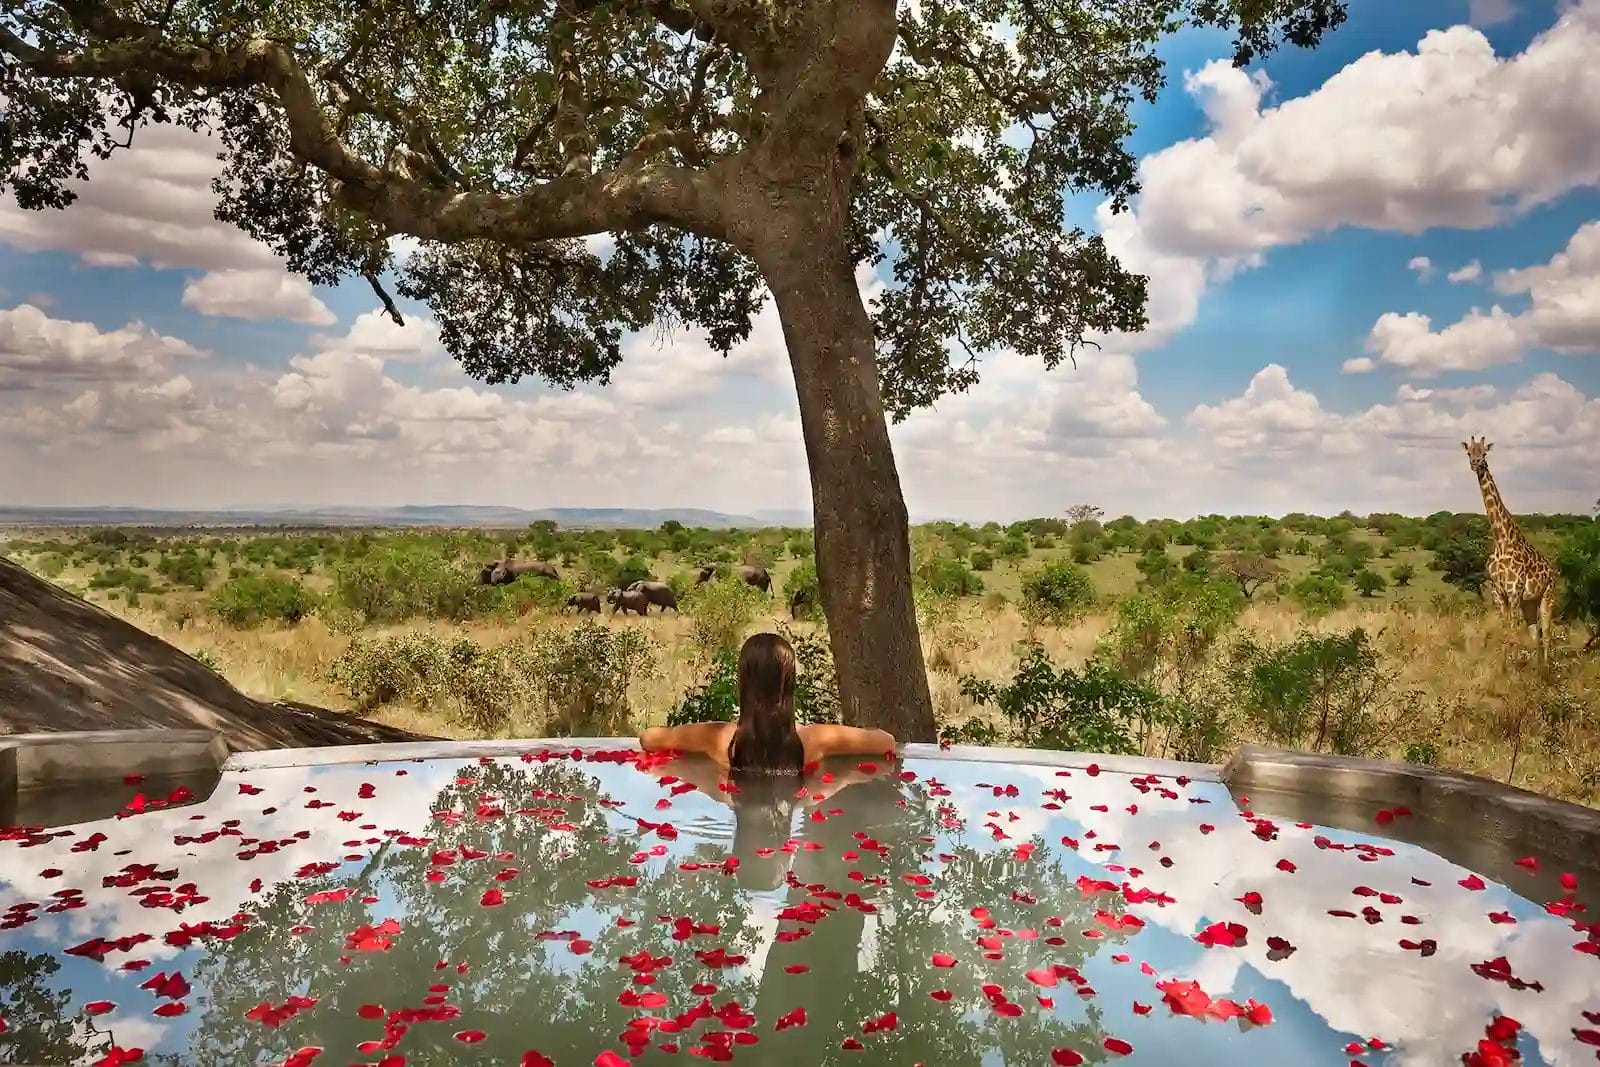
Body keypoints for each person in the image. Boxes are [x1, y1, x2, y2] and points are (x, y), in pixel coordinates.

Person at [638, 632, 896, 774]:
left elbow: (648, 739)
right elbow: (887, 742)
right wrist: (844, 779)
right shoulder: (815, 740)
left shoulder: (717, 738)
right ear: (790, 684)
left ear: (744, 683)